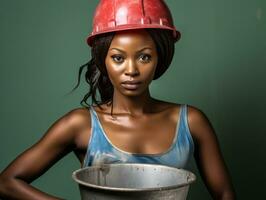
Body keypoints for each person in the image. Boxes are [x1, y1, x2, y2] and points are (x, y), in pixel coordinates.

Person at [0, 0, 236, 199]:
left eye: (144, 57)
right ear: (103, 60)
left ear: (160, 59)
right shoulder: (81, 125)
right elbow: (7, 182)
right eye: (118, 58)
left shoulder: (191, 121)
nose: (131, 70)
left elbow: (225, 195)